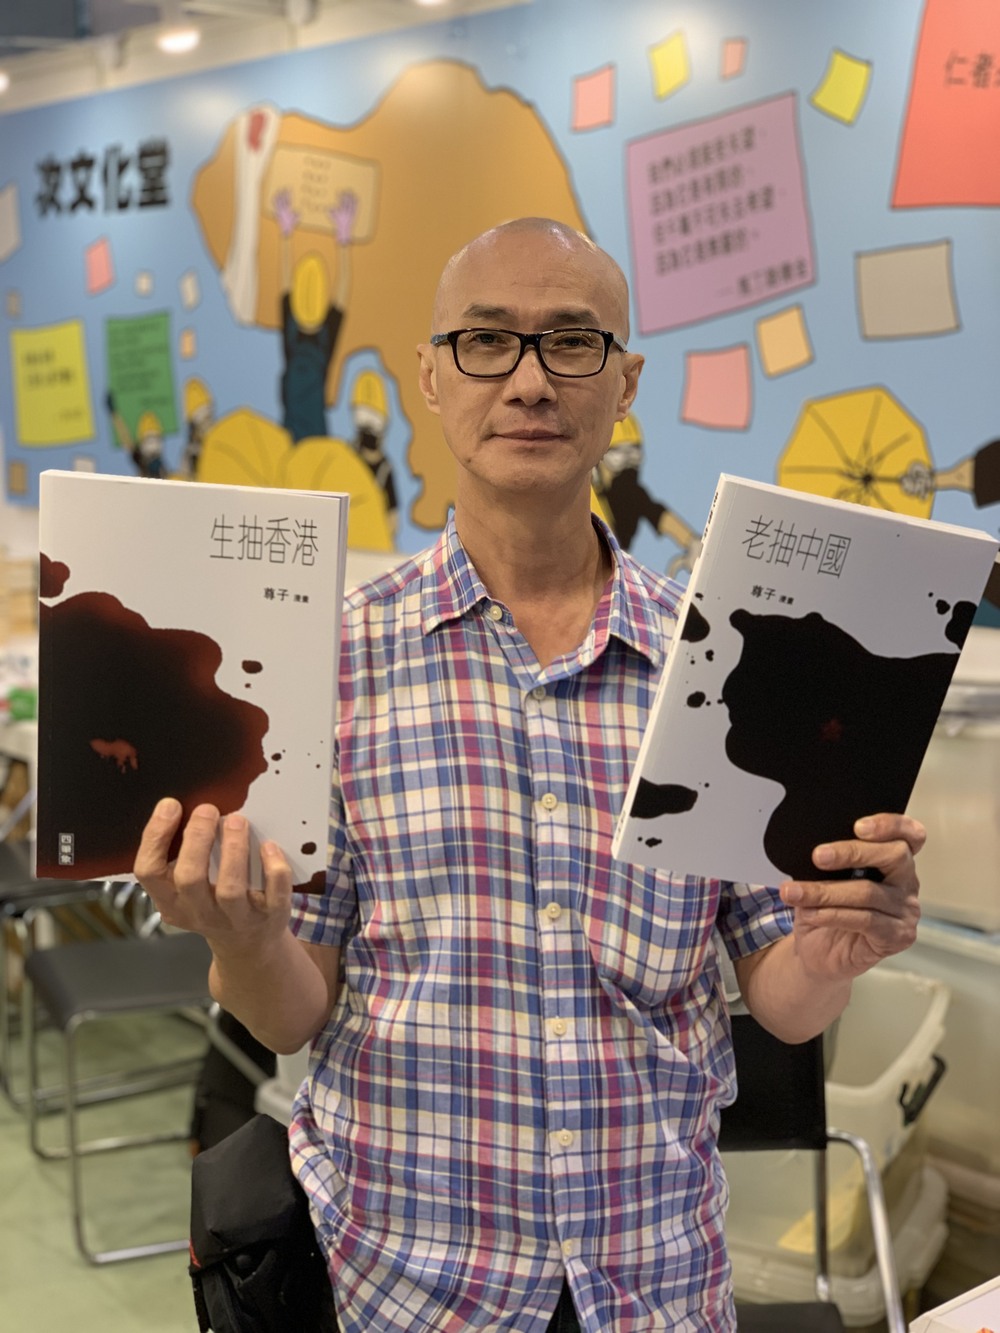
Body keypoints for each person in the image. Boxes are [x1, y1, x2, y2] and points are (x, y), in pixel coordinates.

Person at [134, 217, 923, 1333]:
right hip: (410, 1279)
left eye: (572, 341)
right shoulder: (331, 659)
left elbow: (783, 1002)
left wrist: (837, 947)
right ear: (431, 375)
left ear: (624, 382)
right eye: (486, 340)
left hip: (653, 1271)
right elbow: (296, 1011)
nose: (530, 379)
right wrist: (244, 938)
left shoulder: (722, 665)